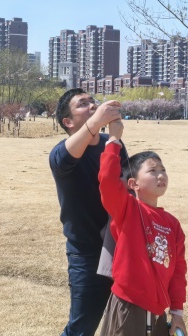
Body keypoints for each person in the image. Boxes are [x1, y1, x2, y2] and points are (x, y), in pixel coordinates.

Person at [49, 88, 128, 336]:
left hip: (121, 248)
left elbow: (126, 188)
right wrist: (99, 121)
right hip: (86, 254)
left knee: (128, 323)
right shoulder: (60, 154)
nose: (92, 105)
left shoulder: (110, 144)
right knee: (81, 329)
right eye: (82, 104)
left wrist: (114, 138)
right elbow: (66, 157)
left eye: (92, 101)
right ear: (68, 122)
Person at [98, 118, 187, 336]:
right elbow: (108, 181)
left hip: (158, 313)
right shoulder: (126, 209)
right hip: (128, 306)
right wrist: (113, 140)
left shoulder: (172, 224)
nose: (161, 175)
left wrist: (177, 312)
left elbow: (178, 270)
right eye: (152, 171)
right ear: (133, 184)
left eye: (163, 170)